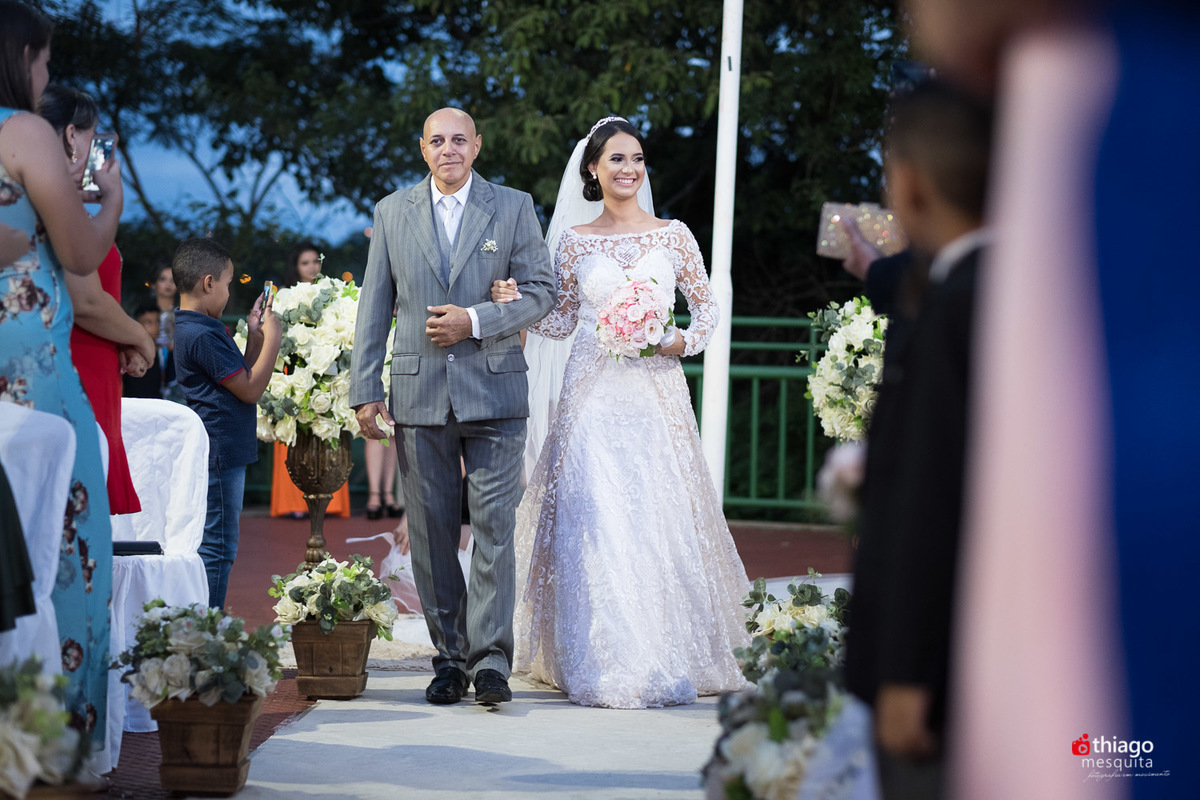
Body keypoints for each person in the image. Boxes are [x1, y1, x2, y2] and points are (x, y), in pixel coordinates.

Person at [492, 116, 749, 709]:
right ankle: (606, 654)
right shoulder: (576, 241)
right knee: (599, 517)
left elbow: (708, 310)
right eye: (616, 160)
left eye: (636, 158)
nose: (628, 169)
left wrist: (674, 341)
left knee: (655, 515)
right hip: (592, 397)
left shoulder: (674, 234)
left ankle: (667, 648)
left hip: (656, 393)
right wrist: (517, 304)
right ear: (592, 169)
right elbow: (559, 320)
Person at [350, 107, 555, 706]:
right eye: (437, 141)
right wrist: (366, 388)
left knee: (494, 531)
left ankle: (491, 661)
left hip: (495, 391)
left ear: (477, 146)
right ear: (422, 149)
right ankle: (448, 659)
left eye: (459, 140)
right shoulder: (392, 212)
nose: (448, 149)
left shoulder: (514, 206)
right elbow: (374, 306)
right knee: (433, 534)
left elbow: (542, 291)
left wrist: (477, 320)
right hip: (417, 394)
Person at [843, 80, 993, 800]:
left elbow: (934, 502)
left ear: (908, 182)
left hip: (938, 672)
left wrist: (905, 669)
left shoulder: (953, 309)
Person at [0, 0, 124, 768]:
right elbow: (78, 257)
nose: (45, 75)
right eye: (42, 60)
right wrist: (105, 200)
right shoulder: (24, 130)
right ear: (20, 54)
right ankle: (58, 750)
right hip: (32, 375)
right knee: (72, 548)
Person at [39, 84, 154, 515]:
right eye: (93, 136)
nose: (97, 148)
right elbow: (86, 300)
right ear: (72, 136)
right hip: (77, 364)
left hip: (91, 363)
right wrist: (141, 337)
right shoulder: (49, 201)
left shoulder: (43, 197)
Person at [172, 237, 281, 608]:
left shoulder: (200, 326)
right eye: (229, 283)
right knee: (218, 548)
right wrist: (273, 342)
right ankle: (208, 630)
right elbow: (250, 390)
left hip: (221, 450)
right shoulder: (200, 333)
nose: (230, 291)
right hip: (219, 453)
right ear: (208, 283)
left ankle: (206, 626)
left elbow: (239, 377)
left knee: (218, 545)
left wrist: (253, 338)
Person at [269, 240, 350, 519]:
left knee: (328, 428)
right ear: (296, 267)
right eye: (306, 262)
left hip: (328, 370)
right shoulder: (285, 296)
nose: (312, 267)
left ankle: (331, 499)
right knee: (295, 430)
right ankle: (292, 502)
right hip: (295, 371)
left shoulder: (333, 293)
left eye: (316, 261)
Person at [122, 304, 165, 398]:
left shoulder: (163, 353)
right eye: (148, 323)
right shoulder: (129, 354)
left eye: (158, 322)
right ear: (137, 325)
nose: (155, 327)